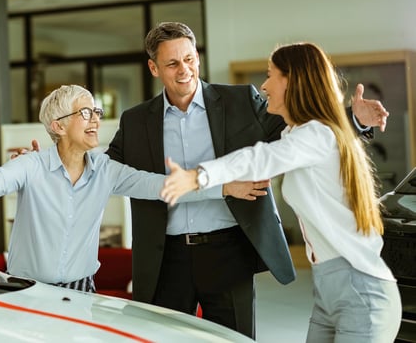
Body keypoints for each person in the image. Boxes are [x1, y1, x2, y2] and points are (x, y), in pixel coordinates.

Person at [105, 22, 390, 338]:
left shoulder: (241, 101)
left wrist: (352, 119)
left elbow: (299, 130)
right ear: (153, 67)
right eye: (172, 63)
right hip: (165, 258)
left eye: (189, 59)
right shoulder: (135, 121)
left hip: (228, 252)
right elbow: (106, 173)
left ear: (197, 57)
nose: (184, 69)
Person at [0, 84, 194, 292]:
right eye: (84, 113)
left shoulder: (106, 169)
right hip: (27, 290)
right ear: (58, 126)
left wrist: (208, 181)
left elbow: (155, 186)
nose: (95, 120)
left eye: (96, 112)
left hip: (81, 290)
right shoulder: (32, 165)